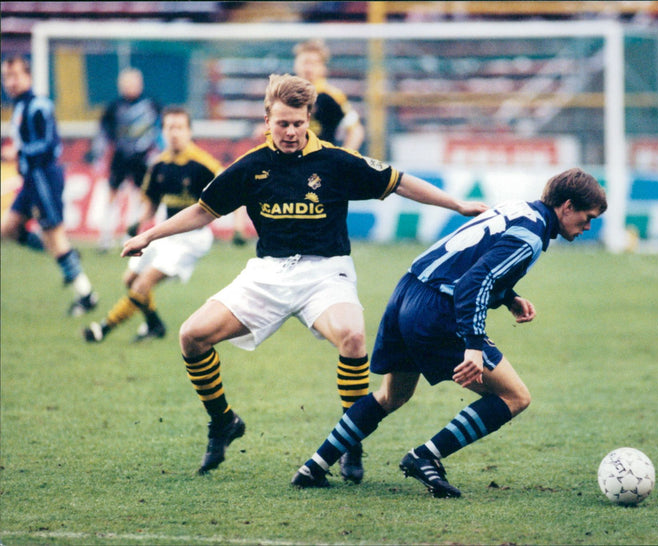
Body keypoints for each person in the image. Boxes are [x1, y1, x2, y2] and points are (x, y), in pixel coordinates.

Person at [121, 74, 487, 478]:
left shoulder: (336, 161)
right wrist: (150, 235)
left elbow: (398, 182)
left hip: (325, 271)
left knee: (352, 336)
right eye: (282, 124)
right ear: (267, 121)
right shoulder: (252, 166)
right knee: (191, 336)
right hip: (268, 273)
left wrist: (456, 205)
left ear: (309, 117)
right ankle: (224, 421)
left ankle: (351, 442)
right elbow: (203, 210)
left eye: (298, 123)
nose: (291, 132)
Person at [292, 167, 607, 497]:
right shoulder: (531, 235)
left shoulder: (517, 209)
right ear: (567, 206)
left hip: (406, 293)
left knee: (392, 395)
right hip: (437, 309)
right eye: (587, 218)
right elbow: (474, 282)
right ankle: (424, 457)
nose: (587, 227)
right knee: (515, 396)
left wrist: (509, 297)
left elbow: (471, 260)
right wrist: (473, 344)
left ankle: (313, 466)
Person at [84, 107, 223, 343]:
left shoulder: (205, 165)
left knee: (142, 283)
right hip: (163, 234)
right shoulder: (158, 165)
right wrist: (138, 222)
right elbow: (150, 202)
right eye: (170, 127)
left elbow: (233, 191)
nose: (175, 133)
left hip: (191, 239)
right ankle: (154, 325)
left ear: (189, 131)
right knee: (129, 280)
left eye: (180, 127)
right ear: (163, 131)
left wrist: (239, 227)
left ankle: (103, 328)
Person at [0, 56, 98, 316]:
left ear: (28, 76)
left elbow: (49, 144)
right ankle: (67, 257)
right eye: (6, 77)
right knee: (8, 228)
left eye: (15, 76)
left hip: (44, 178)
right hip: (30, 179)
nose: (10, 82)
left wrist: (18, 154)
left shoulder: (38, 106)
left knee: (55, 235)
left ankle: (86, 294)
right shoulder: (20, 107)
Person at [87, 67, 161, 252]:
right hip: (120, 157)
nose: (130, 86)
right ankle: (105, 237)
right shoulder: (114, 107)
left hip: (142, 158)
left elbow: (160, 131)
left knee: (141, 197)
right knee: (112, 196)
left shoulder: (151, 104)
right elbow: (103, 134)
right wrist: (98, 157)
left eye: (133, 82)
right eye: (126, 82)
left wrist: (158, 154)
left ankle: (131, 236)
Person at [293, 39, 365, 151]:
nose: (308, 68)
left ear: (323, 67)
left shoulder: (332, 96)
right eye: (304, 62)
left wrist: (345, 158)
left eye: (313, 63)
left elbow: (356, 131)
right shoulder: (286, 95)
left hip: (321, 162)